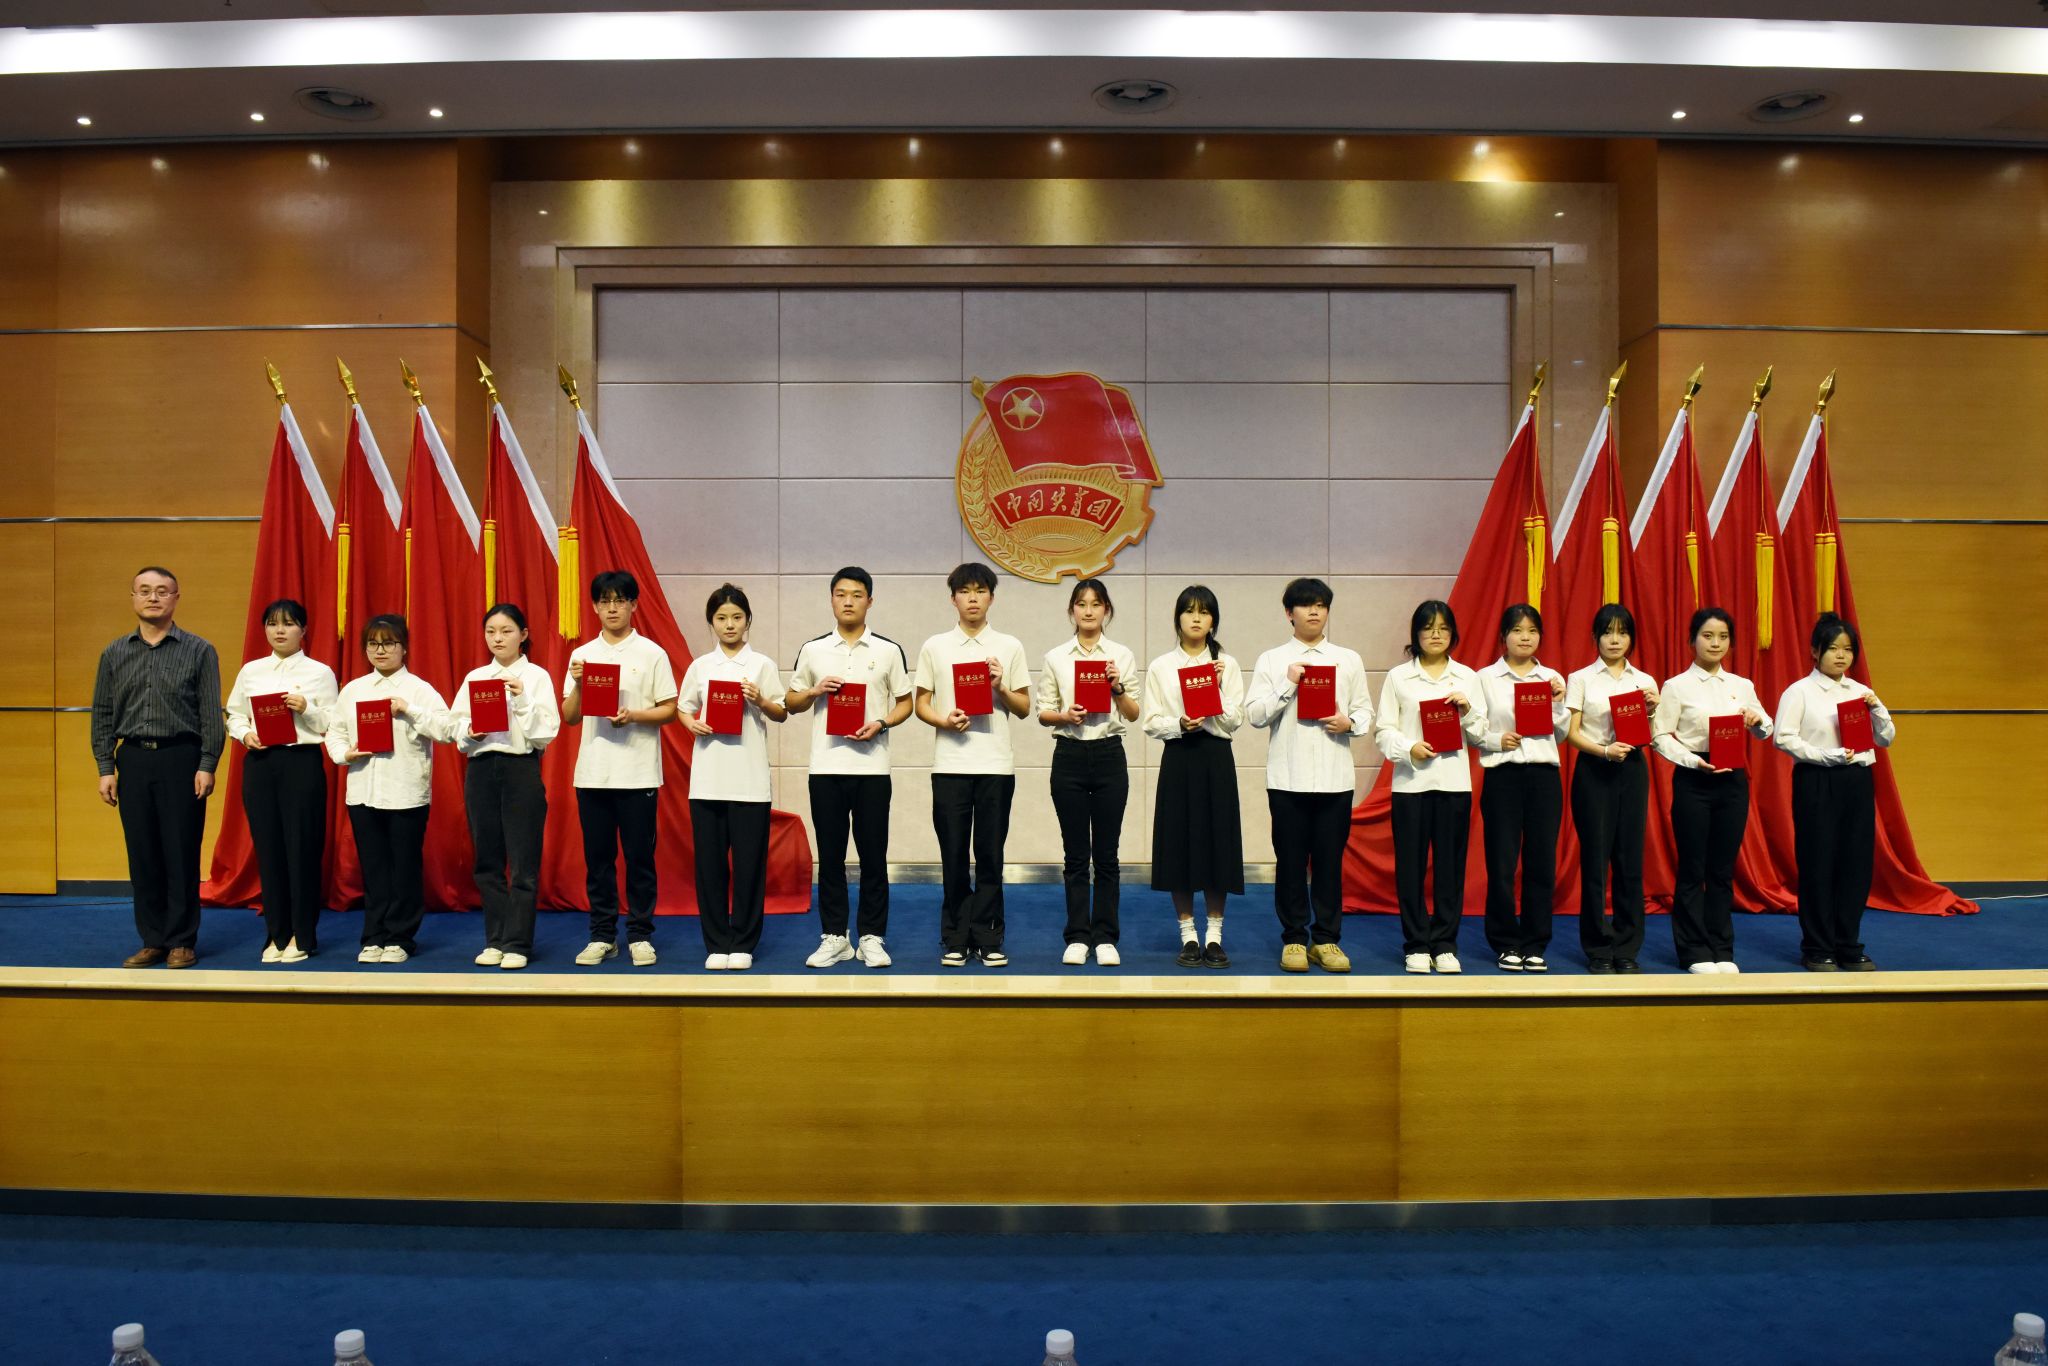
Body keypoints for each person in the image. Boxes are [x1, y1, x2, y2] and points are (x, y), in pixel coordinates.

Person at [91, 566, 223, 969]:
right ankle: (152, 939)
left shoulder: (199, 650)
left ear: (176, 598)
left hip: (181, 758)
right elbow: (103, 713)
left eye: (162, 591)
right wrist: (105, 766)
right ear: (133, 597)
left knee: (181, 851)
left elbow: (210, 715)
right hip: (132, 758)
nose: (153, 597)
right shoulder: (114, 652)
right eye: (145, 590)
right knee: (143, 854)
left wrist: (207, 763)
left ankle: (181, 940)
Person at [786, 566, 912, 970]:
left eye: (857, 595)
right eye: (840, 594)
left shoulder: (888, 650)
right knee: (831, 857)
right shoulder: (813, 649)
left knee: (874, 856)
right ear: (831, 600)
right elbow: (790, 702)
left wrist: (882, 723)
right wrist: (814, 690)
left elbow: (905, 702)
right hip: (826, 767)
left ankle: (871, 936)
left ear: (869, 601)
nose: (848, 601)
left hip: (873, 769)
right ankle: (835, 937)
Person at [1246, 577, 1373, 974]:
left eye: (1321, 605)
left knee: (1330, 863)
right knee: (1290, 862)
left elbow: (1365, 712)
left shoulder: (1347, 659)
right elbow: (1255, 715)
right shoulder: (1272, 660)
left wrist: (1349, 722)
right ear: (1289, 613)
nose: (1314, 611)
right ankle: (1294, 939)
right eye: (1305, 605)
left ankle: (1327, 939)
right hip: (1288, 778)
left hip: (1335, 779)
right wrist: (1289, 683)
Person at [913, 561, 1032, 968]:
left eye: (980, 591)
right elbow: (921, 703)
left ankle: (989, 935)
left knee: (990, 855)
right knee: (953, 855)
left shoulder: (1009, 646)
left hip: (995, 765)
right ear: (953, 599)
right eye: (965, 591)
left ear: (992, 597)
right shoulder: (935, 646)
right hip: (950, 764)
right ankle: (955, 937)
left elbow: (1024, 707)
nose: (973, 598)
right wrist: (944, 720)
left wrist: (1001, 686)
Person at [325, 614, 456, 964]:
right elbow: (335, 732)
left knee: (404, 868)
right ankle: (373, 936)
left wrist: (409, 710)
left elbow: (446, 729)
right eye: (373, 644)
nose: (380, 651)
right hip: (363, 791)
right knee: (374, 868)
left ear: (404, 647)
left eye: (388, 643)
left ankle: (400, 937)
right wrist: (344, 754)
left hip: (406, 792)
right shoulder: (353, 690)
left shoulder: (418, 689)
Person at [564, 570, 679, 968]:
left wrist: (633, 716)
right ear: (595, 607)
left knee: (639, 859)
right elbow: (570, 716)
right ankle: (602, 935)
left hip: (638, 773)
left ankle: (640, 935)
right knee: (598, 861)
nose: (612, 608)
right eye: (604, 601)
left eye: (619, 600)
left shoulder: (651, 653)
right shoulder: (582, 656)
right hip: (593, 773)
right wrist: (579, 684)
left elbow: (669, 710)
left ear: (633, 605)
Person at [1652, 606, 1774, 975]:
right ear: (1692, 640)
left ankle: (1722, 948)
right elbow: (1659, 736)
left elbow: (1766, 728)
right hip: (1695, 777)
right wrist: (1691, 760)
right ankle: (1693, 950)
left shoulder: (1741, 685)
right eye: (1707, 636)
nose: (1715, 643)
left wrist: (1757, 720)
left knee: (1722, 869)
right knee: (1693, 868)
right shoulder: (1676, 686)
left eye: (1722, 637)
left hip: (1732, 780)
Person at [1774, 612, 1895, 972]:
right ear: (1815, 651)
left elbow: (1885, 738)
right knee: (1818, 863)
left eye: (1848, 649)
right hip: (1817, 780)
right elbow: (1783, 738)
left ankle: (1848, 943)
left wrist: (1877, 709)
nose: (1841, 656)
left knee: (1855, 864)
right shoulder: (1799, 691)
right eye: (1832, 648)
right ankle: (1817, 946)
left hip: (1856, 781)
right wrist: (1825, 756)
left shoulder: (1860, 692)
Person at [1375, 600, 1488, 973]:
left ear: (1453, 633)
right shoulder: (1399, 677)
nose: (1436, 635)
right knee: (1410, 867)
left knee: (1450, 868)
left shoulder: (1467, 677)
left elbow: (1482, 734)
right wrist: (1409, 748)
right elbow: (1383, 731)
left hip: (1454, 783)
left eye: (1443, 628)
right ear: (1416, 634)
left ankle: (1444, 944)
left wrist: (1467, 710)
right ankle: (1416, 945)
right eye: (1428, 628)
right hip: (1411, 785)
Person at [677, 583, 785, 971]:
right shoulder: (701, 666)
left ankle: (743, 941)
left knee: (749, 866)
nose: (729, 625)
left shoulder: (762, 665)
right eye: (721, 618)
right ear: (711, 622)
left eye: (737, 617)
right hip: (708, 779)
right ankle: (716, 941)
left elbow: (781, 712)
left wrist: (760, 699)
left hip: (749, 780)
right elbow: (683, 708)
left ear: (748, 620)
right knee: (709, 866)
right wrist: (692, 724)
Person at [224, 598, 338, 963]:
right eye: (273, 624)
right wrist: (245, 734)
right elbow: (234, 714)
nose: (280, 630)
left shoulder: (320, 672)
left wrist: (308, 708)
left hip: (301, 763)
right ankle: (276, 933)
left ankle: (302, 936)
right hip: (260, 764)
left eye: (288, 624)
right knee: (269, 850)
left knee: (302, 849)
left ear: (303, 630)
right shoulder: (251, 671)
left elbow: (332, 723)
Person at [1035, 577, 1140, 967]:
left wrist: (1116, 687)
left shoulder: (1121, 655)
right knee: (1076, 854)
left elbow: (1133, 713)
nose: (1089, 610)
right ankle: (1078, 935)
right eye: (1081, 604)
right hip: (1070, 756)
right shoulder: (1056, 656)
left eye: (1096, 604)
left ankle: (1106, 936)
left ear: (1106, 610)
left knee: (1108, 854)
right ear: (1072, 611)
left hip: (1110, 754)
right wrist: (1065, 715)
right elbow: (1043, 712)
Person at [1140, 584, 1245, 969]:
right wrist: (1179, 724)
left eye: (1204, 612)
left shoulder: (1227, 665)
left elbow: (1236, 720)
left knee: (1218, 843)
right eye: (1189, 611)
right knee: (1179, 844)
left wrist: (1215, 689)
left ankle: (1214, 936)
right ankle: (1188, 935)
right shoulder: (1161, 666)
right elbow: (1150, 722)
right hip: (1180, 756)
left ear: (1213, 620)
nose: (1196, 618)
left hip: (1215, 757)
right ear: (1178, 618)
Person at [454, 603, 559, 971]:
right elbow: (455, 728)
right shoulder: (476, 677)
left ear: (523, 635)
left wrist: (521, 698)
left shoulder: (537, 677)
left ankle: (517, 943)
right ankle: (495, 939)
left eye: (506, 631)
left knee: (523, 862)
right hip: (481, 769)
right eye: (491, 632)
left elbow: (545, 733)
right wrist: (470, 731)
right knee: (487, 860)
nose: (497, 638)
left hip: (521, 769)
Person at [1564, 603, 1660, 974]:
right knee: (1595, 862)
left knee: (1629, 861)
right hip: (1594, 769)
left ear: (1631, 638)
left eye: (1622, 632)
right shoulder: (1581, 678)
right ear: (1595, 637)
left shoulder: (1644, 681)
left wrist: (1652, 710)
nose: (1615, 640)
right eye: (1607, 632)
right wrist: (1604, 751)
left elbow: (1654, 734)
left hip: (1632, 769)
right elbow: (1571, 733)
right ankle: (1598, 948)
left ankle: (1627, 947)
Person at [1474, 603, 1567, 972]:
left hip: (1544, 776)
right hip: (1504, 776)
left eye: (1532, 631)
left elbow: (1562, 734)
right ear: (1504, 636)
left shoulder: (1552, 678)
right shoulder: (1485, 678)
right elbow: (1474, 728)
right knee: (1502, 861)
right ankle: (1504, 941)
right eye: (1517, 630)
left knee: (1541, 862)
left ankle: (1535, 942)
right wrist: (1496, 740)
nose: (1525, 637)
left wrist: (1557, 703)